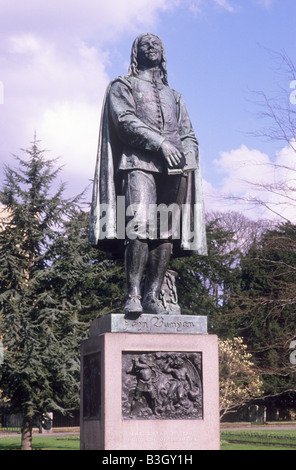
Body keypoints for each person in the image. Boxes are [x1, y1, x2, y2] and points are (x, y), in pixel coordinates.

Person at [89, 33, 207, 315]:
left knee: (165, 233)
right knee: (139, 226)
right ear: (136, 52)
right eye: (145, 43)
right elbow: (125, 122)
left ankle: (152, 295)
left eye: (157, 43)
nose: (151, 46)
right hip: (138, 163)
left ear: (163, 53)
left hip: (174, 169)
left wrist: (188, 154)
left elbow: (188, 134)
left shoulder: (174, 96)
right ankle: (132, 295)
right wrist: (161, 143)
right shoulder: (123, 85)